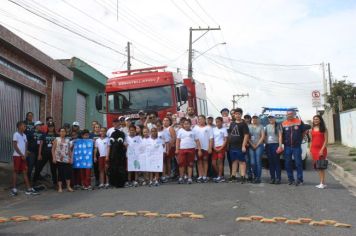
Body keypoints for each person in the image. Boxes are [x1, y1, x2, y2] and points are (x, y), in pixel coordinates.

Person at [279, 109, 309, 186]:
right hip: (287, 147)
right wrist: (280, 145)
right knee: (288, 163)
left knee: (298, 163)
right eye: (288, 114)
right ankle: (290, 179)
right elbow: (280, 135)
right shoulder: (283, 123)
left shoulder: (299, 121)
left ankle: (299, 180)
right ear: (286, 115)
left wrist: (300, 140)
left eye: (291, 114)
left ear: (294, 114)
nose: (289, 115)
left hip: (296, 147)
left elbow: (304, 132)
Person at [11, 121, 39, 196]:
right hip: (17, 156)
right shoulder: (15, 134)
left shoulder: (24, 135)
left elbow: (26, 145)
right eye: (24, 126)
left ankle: (28, 188)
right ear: (19, 126)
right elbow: (15, 146)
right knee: (15, 171)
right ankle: (14, 188)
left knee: (24, 171)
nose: (25, 127)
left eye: (25, 126)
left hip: (23, 156)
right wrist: (21, 154)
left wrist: (25, 154)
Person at [176, 119, 202, 184]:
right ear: (183, 125)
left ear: (190, 125)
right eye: (185, 124)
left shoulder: (193, 132)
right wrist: (177, 149)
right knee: (181, 164)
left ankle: (189, 178)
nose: (186, 125)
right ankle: (181, 177)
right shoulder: (180, 131)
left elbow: (197, 141)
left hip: (191, 150)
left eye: (188, 123)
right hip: (182, 150)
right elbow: (178, 140)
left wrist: (199, 150)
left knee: (190, 164)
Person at [227, 108, 249, 183]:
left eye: (239, 114)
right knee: (234, 161)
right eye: (236, 114)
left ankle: (243, 176)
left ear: (241, 115)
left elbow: (246, 135)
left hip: (240, 146)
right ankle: (233, 176)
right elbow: (230, 134)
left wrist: (243, 146)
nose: (237, 115)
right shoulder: (232, 123)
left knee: (242, 161)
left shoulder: (243, 124)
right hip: (232, 146)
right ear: (234, 115)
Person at [33, 122, 58, 186]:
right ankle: (34, 181)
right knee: (39, 167)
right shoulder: (44, 135)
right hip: (44, 154)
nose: (51, 128)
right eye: (49, 127)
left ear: (54, 127)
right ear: (48, 127)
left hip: (53, 155)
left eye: (52, 126)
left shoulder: (56, 135)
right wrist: (39, 154)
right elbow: (41, 145)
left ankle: (55, 183)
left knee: (53, 169)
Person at [52, 128, 73, 193]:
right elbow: (53, 149)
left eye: (64, 131)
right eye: (61, 131)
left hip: (66, 159)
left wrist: (71, 158)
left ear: (66, 133)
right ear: (59, 132)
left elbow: (69, 150)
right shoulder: (56, 139)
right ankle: (60, 187)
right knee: (60, 173)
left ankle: (68, 187)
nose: (62, 132)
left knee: (68, 173)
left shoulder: (67, 140)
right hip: (59, 159)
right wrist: (54, 158)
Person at [193, 115, 213, 183]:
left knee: (205, 161)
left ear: (205, 120)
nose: (200, 120)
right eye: (199, 119)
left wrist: (210, 148)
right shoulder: (195, 128)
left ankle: (205, 175)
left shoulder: (209, 127)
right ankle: (200, 175)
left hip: (206, 147)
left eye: (202, 119)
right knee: (199, 161)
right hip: (197, 148)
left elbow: (211, 138)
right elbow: (194, 138)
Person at [310, 115, 328, 189]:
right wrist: (310, 149)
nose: (315, 120)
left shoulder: (324, 129)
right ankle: (322, 182)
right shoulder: (312, 129)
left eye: (317, 119)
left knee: (321, 167)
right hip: (314, 149)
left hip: (321, 150)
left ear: (320, 120)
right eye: (314, 119)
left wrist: (321, 150)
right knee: (317, 166)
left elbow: (326, 140)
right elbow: (312, 140)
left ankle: (322, 183)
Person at [265, 114, 281, 184]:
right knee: (271, 163)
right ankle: (272, 178)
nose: (270, 119)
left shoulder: (278, 126)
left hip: (275, 145)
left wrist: (280, 146)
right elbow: (265, 136)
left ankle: (278, 178)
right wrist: (265, 143)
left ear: (275, 118)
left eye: (272, 118)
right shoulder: (267, 126)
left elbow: (280, 136)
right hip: (268, 145)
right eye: (269, 118)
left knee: (276, 162)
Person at [248, 115, 265, 184]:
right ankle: (255, 176)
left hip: (259, 146)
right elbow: (247, 137)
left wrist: (257, 145)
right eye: (253, 118)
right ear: (252, 119)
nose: (254, 119)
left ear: (258, 119)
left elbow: (262, 136)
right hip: (251, 146)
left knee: (258, 162)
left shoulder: (261, 126)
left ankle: (258, 177)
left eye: (256, 118)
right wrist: (252, 145)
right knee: (252, 162)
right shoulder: (249, 126)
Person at [212, 117, 228, 183]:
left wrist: (221, 148)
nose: (217, 123)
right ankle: (220, 175)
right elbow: (212, 139)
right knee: (213, 163)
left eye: (219, 121)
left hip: (221, 147)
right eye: (216, 122)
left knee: (220, 162)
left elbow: (225, 140)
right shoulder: (213, 129)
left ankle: (219, 176)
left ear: (222, 122)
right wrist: (213, 147)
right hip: (214, 147)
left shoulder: (224, 129)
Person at [162, 117, 176, 182]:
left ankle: (170, 174)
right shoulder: (162, 128)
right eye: (164, 120)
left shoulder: (170, 128)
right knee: (164, 162)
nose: (165, 121)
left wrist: (169, 147)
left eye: (167, 120)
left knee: (168, 161)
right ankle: (165, 174)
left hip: (170, 147)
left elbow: (173, 138)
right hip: (163, 148)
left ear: (169, 122)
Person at [243, 113, 253, 181]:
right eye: (245, 118)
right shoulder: (242, 125)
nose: (247, 119)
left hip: (250, 145)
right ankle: (244, 175)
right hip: (243, 145)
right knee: (243, 161)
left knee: (249, 161)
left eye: (248, 118)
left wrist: (248, 143)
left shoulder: (252, 126)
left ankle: (249, 175)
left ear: (250, 119)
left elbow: (251, 136)